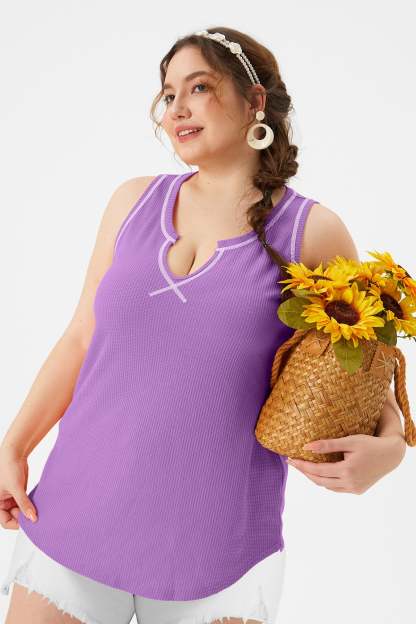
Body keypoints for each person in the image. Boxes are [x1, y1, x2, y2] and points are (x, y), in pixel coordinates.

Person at [0, 26, 406, 624]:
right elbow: (81, 337)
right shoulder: (131, 202)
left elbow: (364, 370)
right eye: (168, 95)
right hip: (74, 514)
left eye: (199, 87)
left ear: (255, 101)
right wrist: (13, 446)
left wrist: (392, 450)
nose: (177, 109)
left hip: (218, 550)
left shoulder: (312, 232)